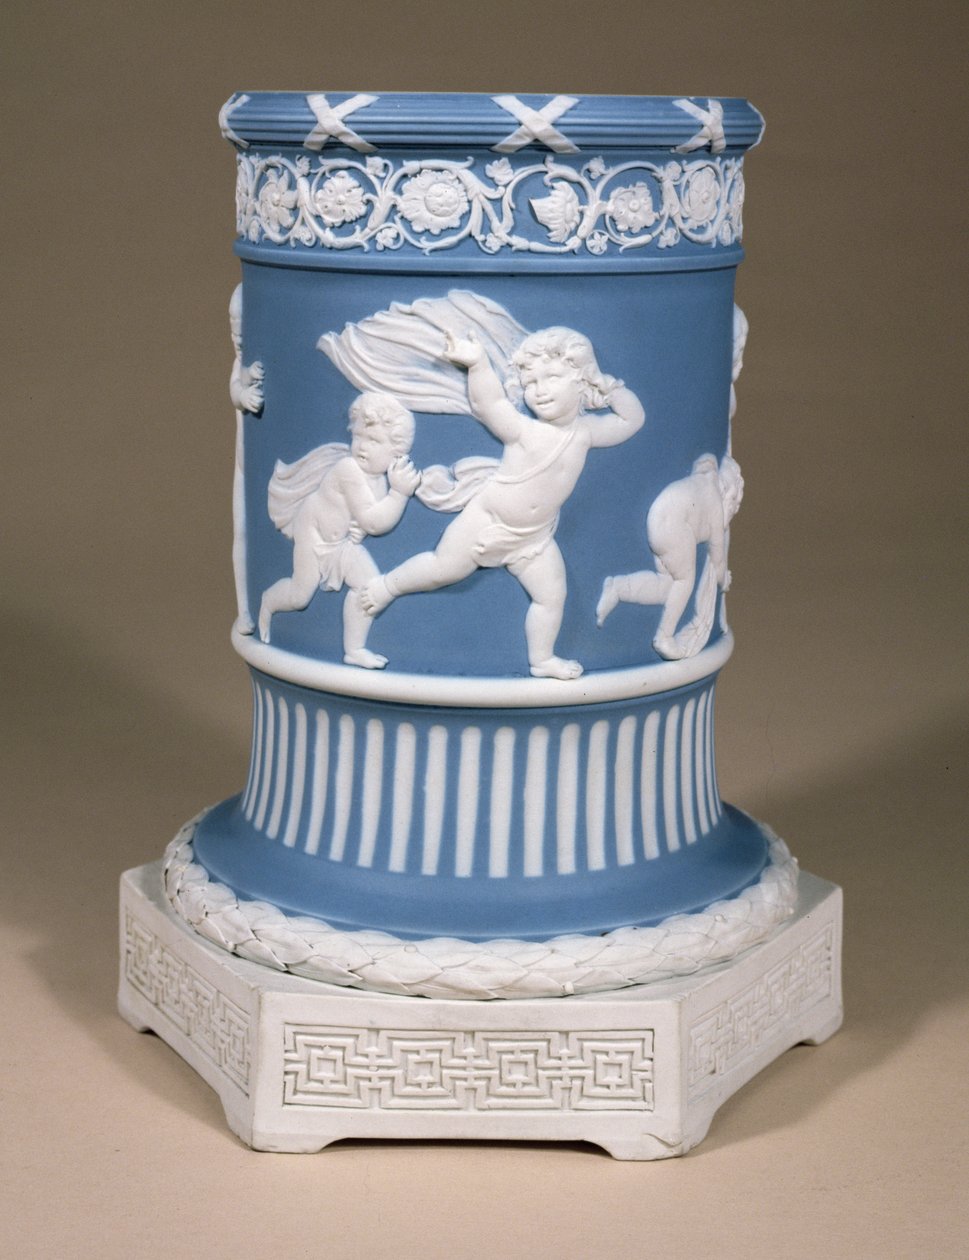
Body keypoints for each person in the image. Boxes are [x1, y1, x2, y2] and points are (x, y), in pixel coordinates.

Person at [362, 327, 645, 679]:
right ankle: (387, 586)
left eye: (552, 377)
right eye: (531, 382)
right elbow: (490, 404)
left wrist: (606, 385)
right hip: (486, 520)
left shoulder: (585, 434)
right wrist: (477, 364)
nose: (539, 390)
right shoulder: (524, 430)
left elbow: (632, 420)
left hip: (533, 537)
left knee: (551, 596)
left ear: (581, 380)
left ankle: (541, 659)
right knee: (441, 569)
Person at [258, 392, 420, 668]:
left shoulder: (379, 481)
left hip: (340, 542)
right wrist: (400, 494)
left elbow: (367, 520)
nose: (362, 447)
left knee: (369, 586)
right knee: (299, 596)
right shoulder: (348, 468)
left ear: (397, 451)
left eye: (373, 440)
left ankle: (354, 650)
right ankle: (267, 603)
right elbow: (374, 521)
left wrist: (361, 528)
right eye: (358, 436)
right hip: (314, 533)